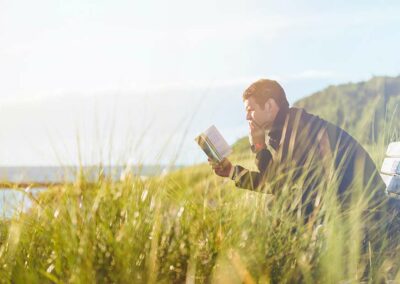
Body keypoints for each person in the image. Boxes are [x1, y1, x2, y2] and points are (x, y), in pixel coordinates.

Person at [209, 79, 389, 220]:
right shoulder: (287, 127)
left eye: (251, 109)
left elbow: (276, 184)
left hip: (366, 209)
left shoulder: (297, 129)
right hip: (348, 203)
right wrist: (232, 171)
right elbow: (276, 181)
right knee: (279, 205)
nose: (247, 116)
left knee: (280, 207)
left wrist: (259, 147)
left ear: (270, 106)